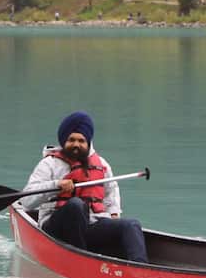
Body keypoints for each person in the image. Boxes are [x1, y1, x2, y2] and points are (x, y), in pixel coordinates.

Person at [18, 111, 149, 263]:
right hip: (56, 226)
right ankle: (83, 260)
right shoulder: (49, 164)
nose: (76, 145)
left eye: (81, 141)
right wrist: (57, 184)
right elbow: (27, 201)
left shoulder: (102, 164)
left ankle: (140, 268)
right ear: (63, 141)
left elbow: (111, 192)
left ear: (88, 143)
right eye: (71, 140)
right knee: (75, 205)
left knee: (131, 225)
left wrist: (114, 214)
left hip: (92, 225)